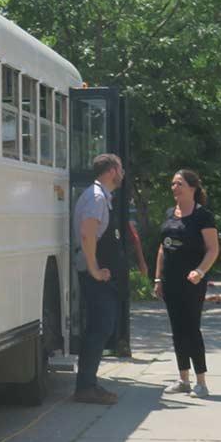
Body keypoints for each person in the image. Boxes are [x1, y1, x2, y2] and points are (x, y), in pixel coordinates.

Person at [153, 170, 219, 398]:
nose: (174, 187)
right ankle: (183, 379)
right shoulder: (170, 213)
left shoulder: (203, 216)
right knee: (177, 330)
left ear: (192, 187)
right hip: (170, 281)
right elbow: (162, 248)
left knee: (191, 329)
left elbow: (213, 249)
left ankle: (201, 382)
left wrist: (200, 271)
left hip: (192, 282)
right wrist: (158, 278)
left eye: (179, 183)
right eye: (172, 184)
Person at [73, 153, 126, 405]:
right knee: (100, 328)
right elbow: (87, 235)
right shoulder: (96, 198)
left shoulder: (103, 197)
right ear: (112, 170)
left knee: (100, 327)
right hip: (96, 276)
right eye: (121, 168)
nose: (123, 173)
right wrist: (94, 270)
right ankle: (86, 386)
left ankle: (88, 384)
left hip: (102, 276)